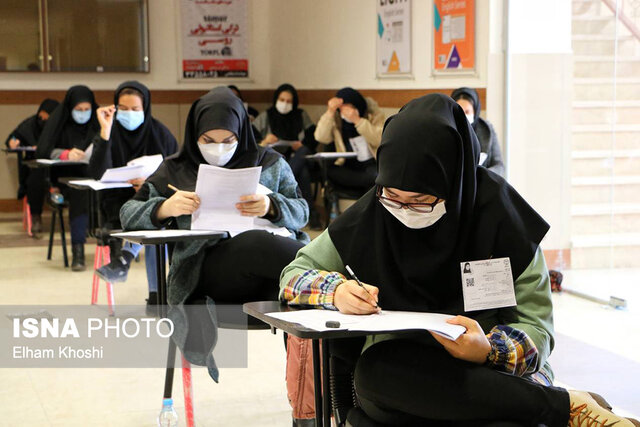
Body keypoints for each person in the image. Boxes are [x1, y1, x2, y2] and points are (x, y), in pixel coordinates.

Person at [279, 94, 638, 426]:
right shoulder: (373, 213)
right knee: (375, 374)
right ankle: (565, 408)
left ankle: (535, 404)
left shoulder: (501, 221)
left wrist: (489, 350)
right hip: (404, 375)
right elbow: (293, 275)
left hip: (492, 375)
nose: (404, 210)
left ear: (455, 182)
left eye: (421, 200)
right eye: (393, 195)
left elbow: (537, 329)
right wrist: (336, 291)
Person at [119, 86, 309, 381]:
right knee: (257, 245)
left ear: (241, 134)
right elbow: (128, 213)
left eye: (228, 140)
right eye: (208, 140)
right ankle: (325, 275)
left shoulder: (269, 163)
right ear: (195, 135)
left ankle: (306, 408)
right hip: (207, 274)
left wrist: (272, 206)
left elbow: (302, 211)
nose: (218, 148)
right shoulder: (174, 169)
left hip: (271, 273)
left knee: (307, 305)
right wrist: (165, 208)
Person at [87, 81, 178, 308]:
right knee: (153, 223)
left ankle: (124, 260)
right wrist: (105, 133)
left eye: (135, 110)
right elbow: (98, 173)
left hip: (155, 203)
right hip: (117, 205)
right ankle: (156, 296)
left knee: (155, 219)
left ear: (145, 109)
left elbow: (178, 174)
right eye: (123, 109)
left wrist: (149, 184)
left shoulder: (160, 134)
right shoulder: (109, 131)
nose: (129, 114)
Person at [32, 85, 99, 270]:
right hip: (64, 180)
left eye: (87, 110)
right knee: (80, 195)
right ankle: (78, 252)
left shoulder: (97, 124)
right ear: (70, 109)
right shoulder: (59, 124)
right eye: (78, 110)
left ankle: (116, 249)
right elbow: (44, 150)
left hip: (94, 176)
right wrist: (65, 154)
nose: (83, 114)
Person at [254, 83, 321, 229]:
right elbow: (252, 142)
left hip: (296, 157)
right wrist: (265, 141)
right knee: (302, 173)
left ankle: (310, 212)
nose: (285, 104)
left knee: (303, 152)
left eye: (289, 101)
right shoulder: (267, 116)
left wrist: (301, 145)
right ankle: (312, 214)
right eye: (282, 99)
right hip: (274, 163)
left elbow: (313, 137)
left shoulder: (301, 115)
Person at [314, 87, 384, 218]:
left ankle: (368, 218)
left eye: (349, 107)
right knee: (331, 172)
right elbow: (320, 137)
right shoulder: (336, 119)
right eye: (342, 108)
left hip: (370, 165)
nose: (345, 112)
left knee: (376, 177)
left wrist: (358, 121)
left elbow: (379, 139)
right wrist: (330, 111)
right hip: (344, 166)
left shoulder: (374, 115)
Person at [4, 98, 59, 230]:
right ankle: (35, 217)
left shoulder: (61, 126)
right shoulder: (30, 124)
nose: (43, 121)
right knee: (35, 179)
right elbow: (12, 138)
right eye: (41, 118)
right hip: (36, 166)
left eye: (47, 119)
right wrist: (12, 142)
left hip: (58, 166)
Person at [452, 87, 505, 177]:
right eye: (459, 111)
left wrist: (481, 174)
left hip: (484, 185)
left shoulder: (487, 129)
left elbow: (499, 166)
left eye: (467, 112)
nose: (463, 116)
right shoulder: (448, 129)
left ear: (475, 111)